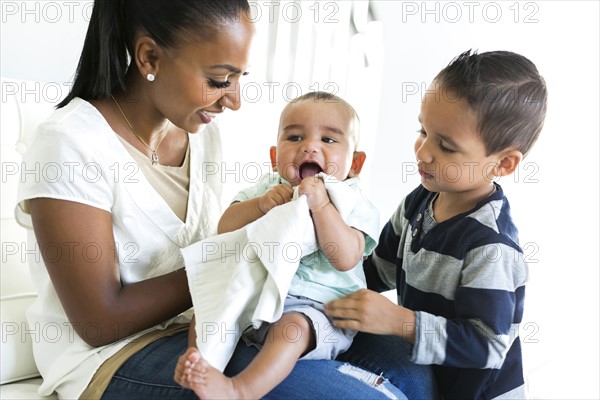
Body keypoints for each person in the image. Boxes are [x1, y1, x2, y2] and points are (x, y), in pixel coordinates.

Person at [15, 1, 433, 399]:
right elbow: (99, 321)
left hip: (223, 317)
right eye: (219, 80)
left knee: (412, 368)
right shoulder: (70, 144)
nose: (234, 100)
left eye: (239, 79)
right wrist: (236, 262)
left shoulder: (202, 134)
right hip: (115, 354)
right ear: (149, 58)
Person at [326, 49, 548, 399]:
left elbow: (486, 347)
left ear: (503, 164)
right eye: (423, 130)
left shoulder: (491, 246)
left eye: (446, 146)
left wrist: (401, 322)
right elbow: (377, 270)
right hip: (427, 373)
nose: (423, 151)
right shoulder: (421, 200)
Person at [174, 91, 382, 399]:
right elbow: (225, 227)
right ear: (275, 157)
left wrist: (322, 206)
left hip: (317, 310)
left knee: (291, 331)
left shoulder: (352, 200)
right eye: (295, 137)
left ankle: (240, 389)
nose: (309, 146)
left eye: (328, 140)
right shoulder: (268, 188)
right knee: (207, 312)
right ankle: (201, 366)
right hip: (254, 297)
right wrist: (260, 205)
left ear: (356, 163)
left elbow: (346, 257)